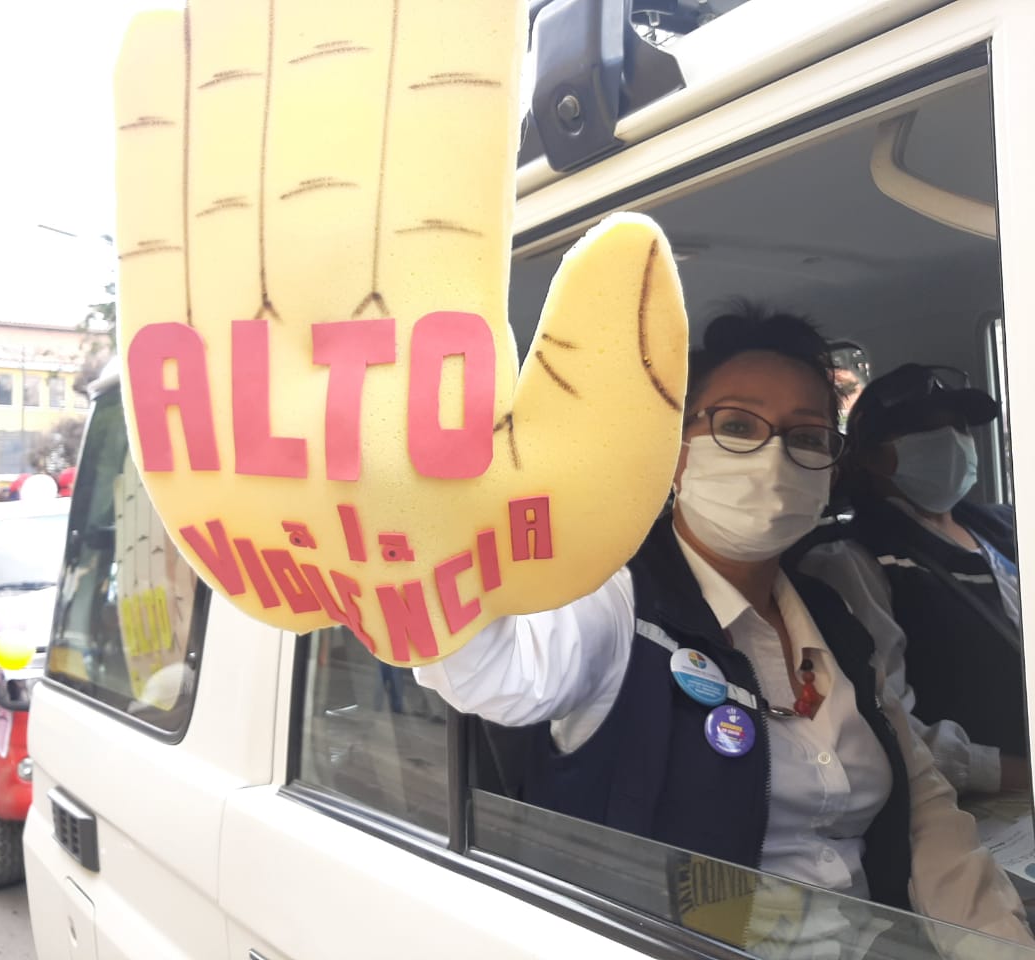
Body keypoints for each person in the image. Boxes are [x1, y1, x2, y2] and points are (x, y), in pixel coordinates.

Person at [416, 306, 1032, 943]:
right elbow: (493, 669)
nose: (773, 458)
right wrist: (426, 535)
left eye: (808, 436)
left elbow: (927, 813)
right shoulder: (617, 600)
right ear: (675, 453)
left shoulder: (836, 620)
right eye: (736, 425)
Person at [799, 365, 1027, 796]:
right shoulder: (851, 560)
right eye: (925, 430)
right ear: (868, 456)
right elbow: (890, 722)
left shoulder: (1003, 526)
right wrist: (1013, 774)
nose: (954, 442)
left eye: (959, 426)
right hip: (987, 802)